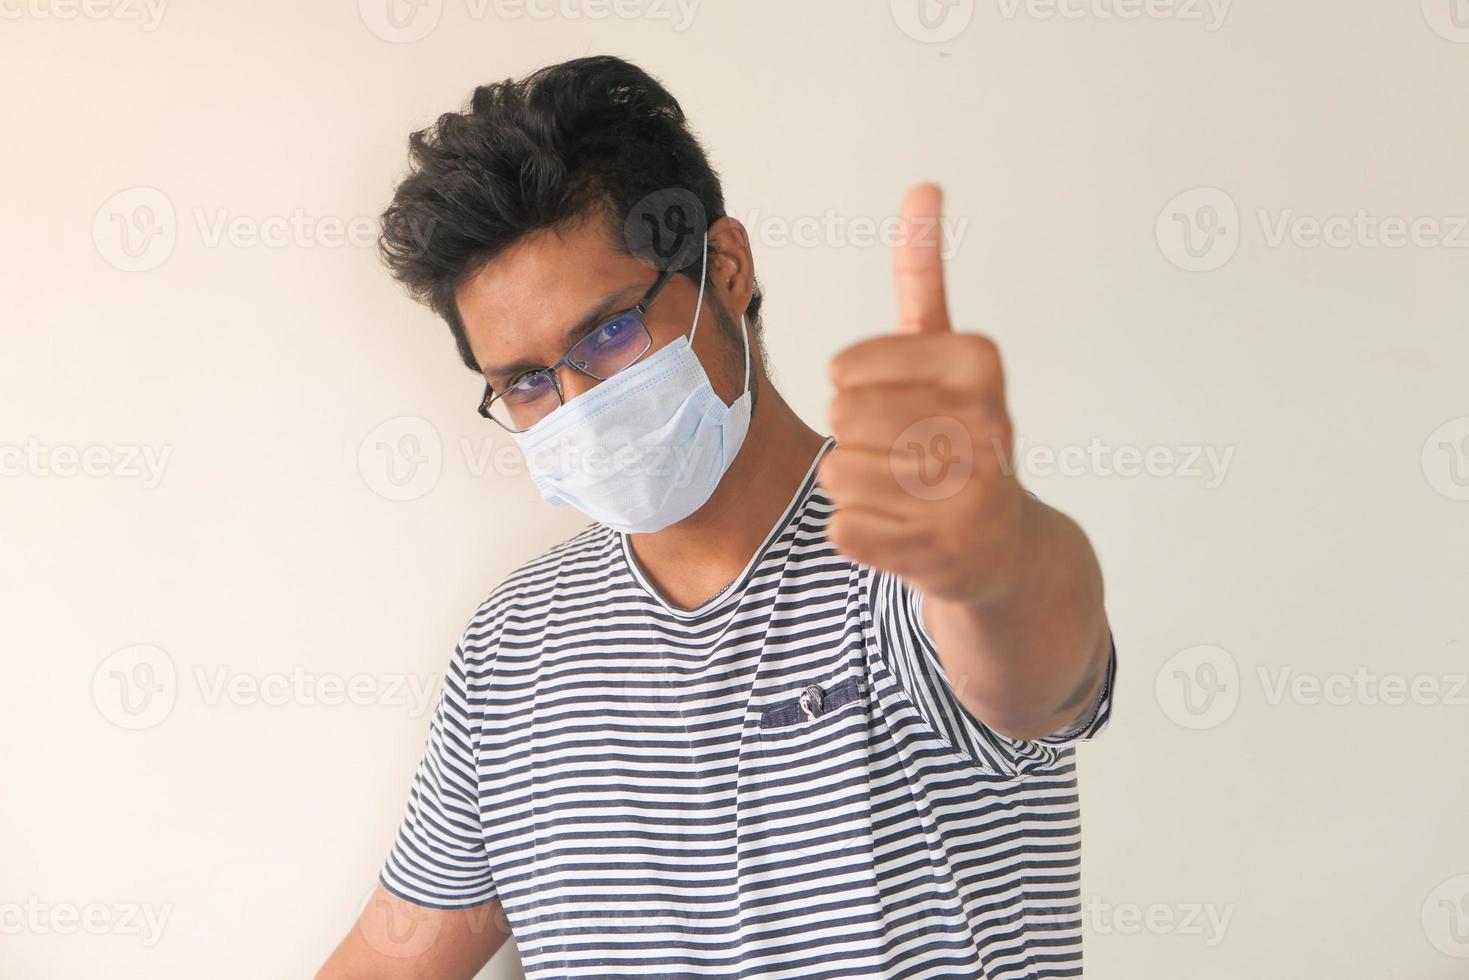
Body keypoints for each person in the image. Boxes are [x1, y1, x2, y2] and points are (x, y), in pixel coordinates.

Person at [317, 54, 1117, 980]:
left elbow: (1041, 671)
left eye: (609, 332)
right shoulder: (511, 648)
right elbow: (394, 955)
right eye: (528, 382)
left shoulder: (906, 559)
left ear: (724, 267)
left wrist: (998, 556)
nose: (577, 402)